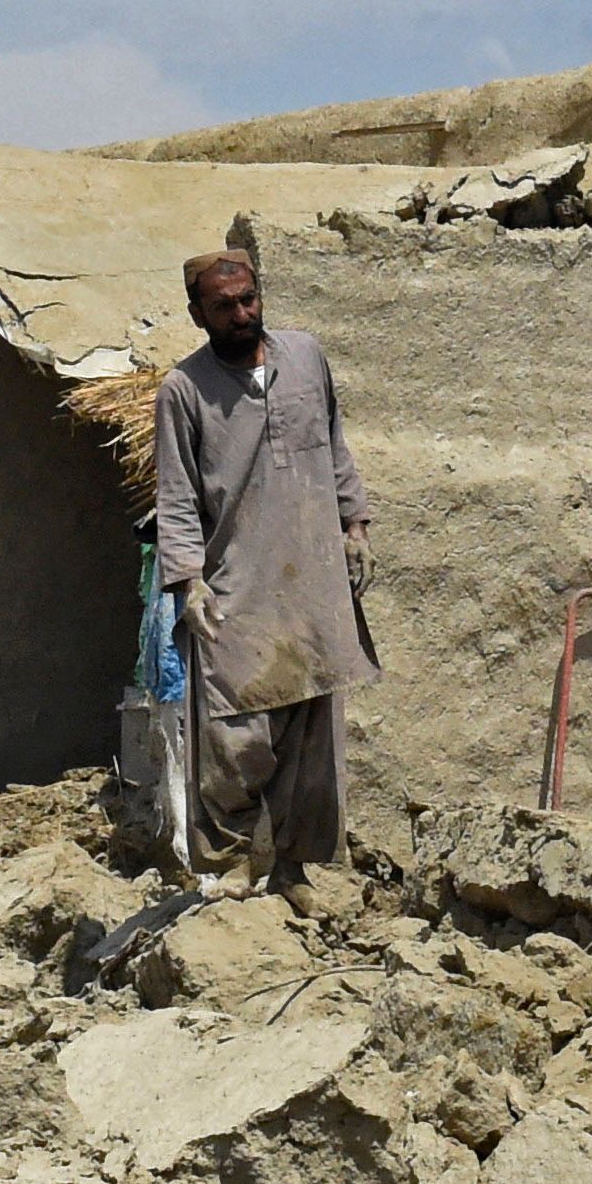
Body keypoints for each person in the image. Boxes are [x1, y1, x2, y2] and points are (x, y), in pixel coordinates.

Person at [150, 249, 376, 892]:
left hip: (312, 574)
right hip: (235, 584)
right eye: (223, 306)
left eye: (248, 299)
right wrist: (188, 577)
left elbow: (333, 443)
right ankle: (230, 866)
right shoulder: (184, 390)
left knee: (309, 731)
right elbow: (178, 493)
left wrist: (354, 525)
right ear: (198, 313)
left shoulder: (305, 357)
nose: (241, 314)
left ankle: (293, 871)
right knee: (235, 736)